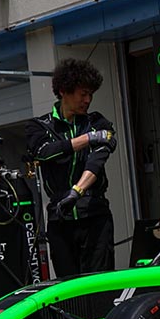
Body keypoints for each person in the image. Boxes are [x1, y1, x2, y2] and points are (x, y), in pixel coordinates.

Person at [28, 59, 116, 277]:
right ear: (63, 91)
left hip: (94, 215)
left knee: (99, 283)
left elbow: (97, 160)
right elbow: (43, 152)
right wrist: (87, 139)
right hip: (60, 220)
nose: (88, 100)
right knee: (68, 285)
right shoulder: (40, 126)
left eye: (91, 95)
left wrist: (77, 192)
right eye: (83, 94)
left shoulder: (97, 122)